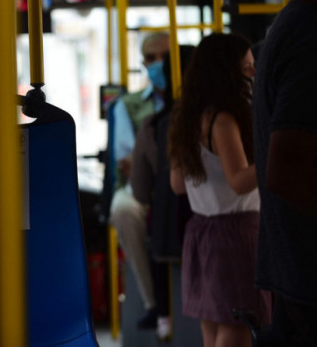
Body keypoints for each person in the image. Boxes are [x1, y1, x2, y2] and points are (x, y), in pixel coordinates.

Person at [169, 33, 272, 347]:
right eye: (248, 68)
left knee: (212, 329)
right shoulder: (224, 120)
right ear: (227, 71)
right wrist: (275, 153)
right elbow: (239, 181)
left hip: (201, 232)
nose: (254, 74)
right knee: (238, 326)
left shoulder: (186, 118)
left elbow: (177, 184)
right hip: (235, 235)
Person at [253, 0, 317, 345]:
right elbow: (289, 169)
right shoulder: (311, 36)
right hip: (310, 274)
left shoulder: (292, 26)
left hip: (296, 272)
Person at [129, 44, 195, 341]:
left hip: (166, 233)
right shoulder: (224, 119)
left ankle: (160, 311)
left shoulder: (154, 125)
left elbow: (141, 191)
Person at [108, 32, 169, 329]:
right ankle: (153, 302)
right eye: (151, 58)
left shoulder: (192, 100)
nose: (158, 64)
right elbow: (129, 161)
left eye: (165, 57)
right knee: (124, 210)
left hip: (179, 182)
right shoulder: (127, 105)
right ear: (142, 63)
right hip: (141, 186)